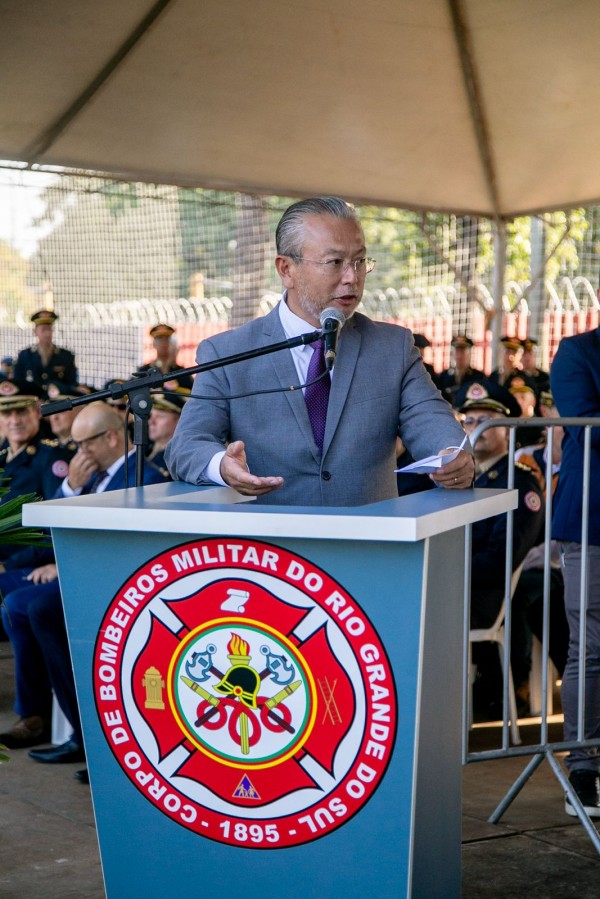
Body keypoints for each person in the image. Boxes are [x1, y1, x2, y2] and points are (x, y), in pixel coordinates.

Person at [166, 197, 473, 502]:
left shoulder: (393, 348)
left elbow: (433, 423)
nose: (352, 277)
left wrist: (452, 454)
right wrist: (222, 466)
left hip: (370, 542)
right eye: (335, 262)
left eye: (360, 261)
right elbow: (187, 446)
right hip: (270, 545)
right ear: (286, 269)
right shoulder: (228, 353)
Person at [0, 402, 171, 781]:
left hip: (119, 583)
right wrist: (71, 487)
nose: (79, 454)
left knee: (42, 608)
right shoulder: (96, 473)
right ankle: (76, 729)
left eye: (84, 445)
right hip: (86, 574)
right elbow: (58, 527)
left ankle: (89, 736)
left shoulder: (140, 474)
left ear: (110, 436)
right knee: (26, 606)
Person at [458, 381, 545, 718]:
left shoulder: (518, 480)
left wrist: (448, 570)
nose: (474, 428)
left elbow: (501, 558)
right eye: (468, 420)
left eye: (484, 420)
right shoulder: (462, 476)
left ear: (506, 429)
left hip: (483, 596)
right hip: (458, 587)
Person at [551, 324, 600, 819]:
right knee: (590, 646)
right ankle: (584, 768)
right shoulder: (578, 352)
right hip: (592, 522)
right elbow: (587, 425)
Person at [13, 310, 77, 390]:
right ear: (35, 332)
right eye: (43, 330)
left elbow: (72, 384)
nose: (47, 333)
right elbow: (17, 382)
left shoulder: (66, 356)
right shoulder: (25, 355)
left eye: (49, 329)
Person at [137, 323, 194, 390]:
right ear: (154, 344)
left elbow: (193, 396)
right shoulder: (144, 372)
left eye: (167, 339)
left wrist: (176, 389)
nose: (164, 343)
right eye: (159, 339)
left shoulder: (182, 373)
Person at [437, 334, 486, 407]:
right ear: (452, 354)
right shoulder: (443, 377)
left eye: (463, 351)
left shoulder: (478, 377)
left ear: (469, 354)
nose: (459, 356)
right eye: (457, 351)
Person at [147, 390, 189, 471]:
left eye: (160, 417)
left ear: (178, 420)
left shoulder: (180, 457)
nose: (151, 421)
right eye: (151, 415)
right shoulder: (147, 448)